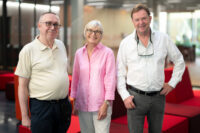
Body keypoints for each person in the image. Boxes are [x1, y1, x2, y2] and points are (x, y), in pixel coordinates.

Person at [117, 4, 185, 133]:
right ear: (133, 21)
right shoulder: (126, 43)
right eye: (137, 20)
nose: (141, 22)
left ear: (150, 18)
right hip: (134, 98)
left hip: (158, 98)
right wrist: (125, 95)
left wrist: (172, 83)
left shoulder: (163, 39)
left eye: (144, 18)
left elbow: (179, 61)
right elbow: (119, 72)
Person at [15, 12, 72, 133]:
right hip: (42, 108)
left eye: (56, 24)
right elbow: (22, 86)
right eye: (48, 23)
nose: (52, 27)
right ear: (39, 26)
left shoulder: (61, 45)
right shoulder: (28, 50)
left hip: (63, 106)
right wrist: (25, 116)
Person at [70, 20, 116, 133]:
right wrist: (74, 100)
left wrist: (106, 104)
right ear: (85, 32)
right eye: (90, 30)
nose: (93, 34)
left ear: (101, 35)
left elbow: (110, 80)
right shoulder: (79, 53)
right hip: (83, 103)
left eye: (97, 31)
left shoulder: (108, 53)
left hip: (101, 104)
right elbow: (76, 78)